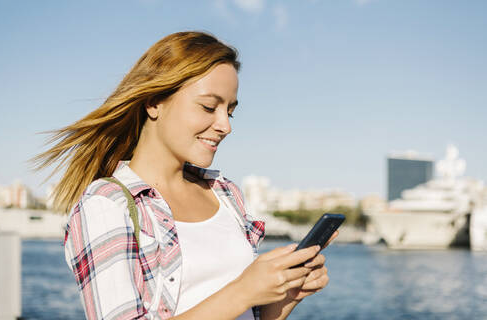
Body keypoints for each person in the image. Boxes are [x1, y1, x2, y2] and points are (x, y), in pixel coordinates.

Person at [33, 31, 338, 320]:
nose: (225, 126)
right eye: (209, 107)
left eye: (229, 111)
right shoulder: (107, 205)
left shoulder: (225, 194)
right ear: (154, 102)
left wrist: (286, 296)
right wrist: (243, 292)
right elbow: (236, 300)